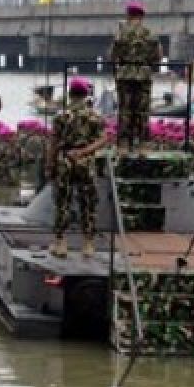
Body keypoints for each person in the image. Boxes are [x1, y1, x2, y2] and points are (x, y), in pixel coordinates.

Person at [47, 77, 110, 258]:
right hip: (86, 162)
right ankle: (88, 245)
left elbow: (53, 142)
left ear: (70, 94)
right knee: (88, 203)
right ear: (86, 95)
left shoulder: (60, 116)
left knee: (62, 203)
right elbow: (104, 139)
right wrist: (84, 151)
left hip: (64, 160)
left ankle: (61, 244)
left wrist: (49, 165)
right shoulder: (95, 116)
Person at [110, 0, 163, 154]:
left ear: (128, 15)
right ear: (142, 16)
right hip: (144, 75)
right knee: (143, 110)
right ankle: (143, 144)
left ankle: (123, 145)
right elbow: (157, 57)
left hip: (125, 74)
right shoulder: (150, 33)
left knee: (125, 110)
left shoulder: (121, 33)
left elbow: (113, 56)